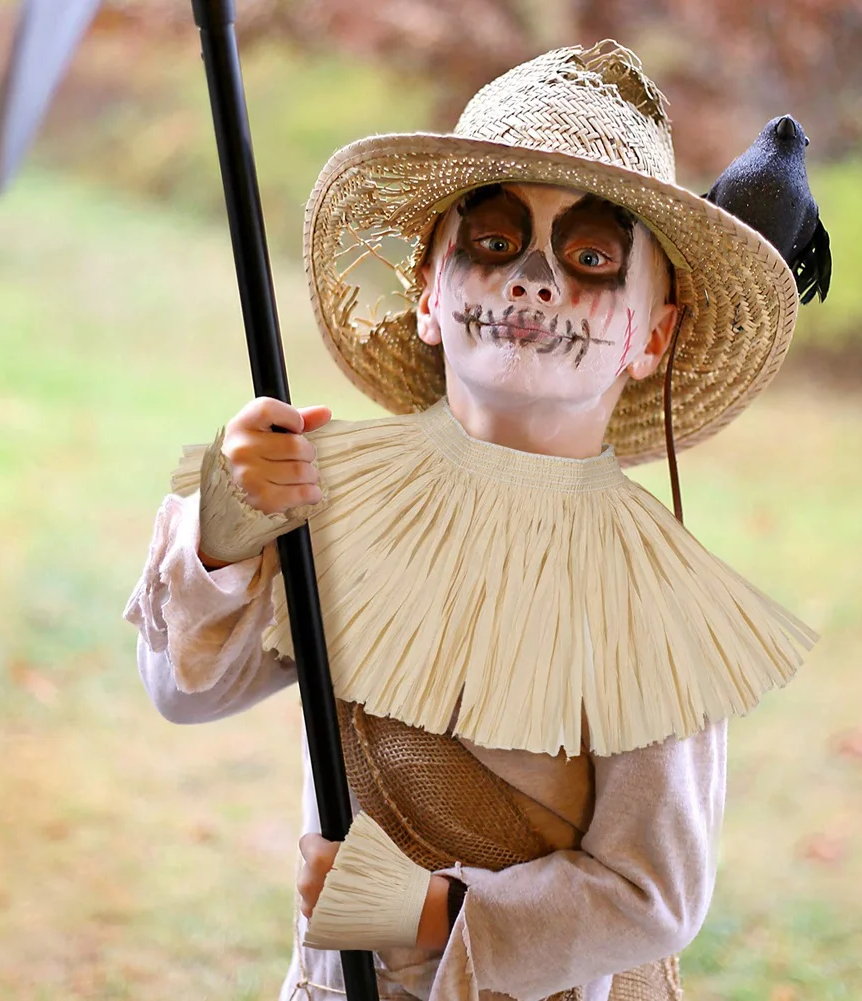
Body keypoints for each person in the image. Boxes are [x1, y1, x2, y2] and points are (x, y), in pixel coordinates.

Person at [124, 40, 817, 1001]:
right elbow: (183, 690)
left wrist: (422, 912)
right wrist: (225, 527)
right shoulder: (330, 493)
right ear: (426, 293)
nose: (533, 281)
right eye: (492, 242)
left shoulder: (646, 596)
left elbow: (654, 893)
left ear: (652, 336)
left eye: (589, 258)